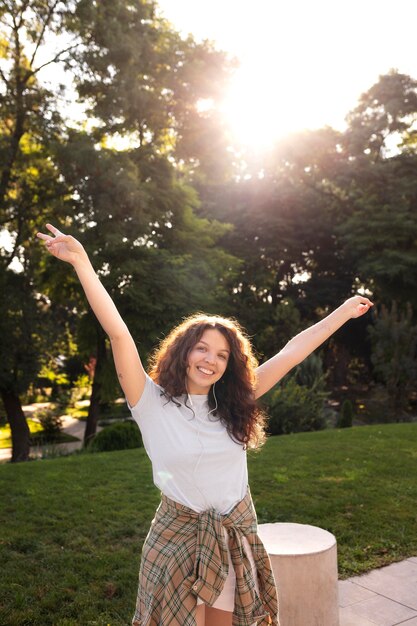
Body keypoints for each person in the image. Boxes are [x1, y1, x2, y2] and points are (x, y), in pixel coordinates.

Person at [37, 223, 373, 626]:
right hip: (177, 536)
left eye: (221, 355)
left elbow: (292, 351)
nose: (210, 360)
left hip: (234, 533)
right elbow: (118, 332)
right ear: (184, 352)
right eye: (202, 348)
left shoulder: (233, 402)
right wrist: (82, 264)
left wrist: (343, 311)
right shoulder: (150, 401)